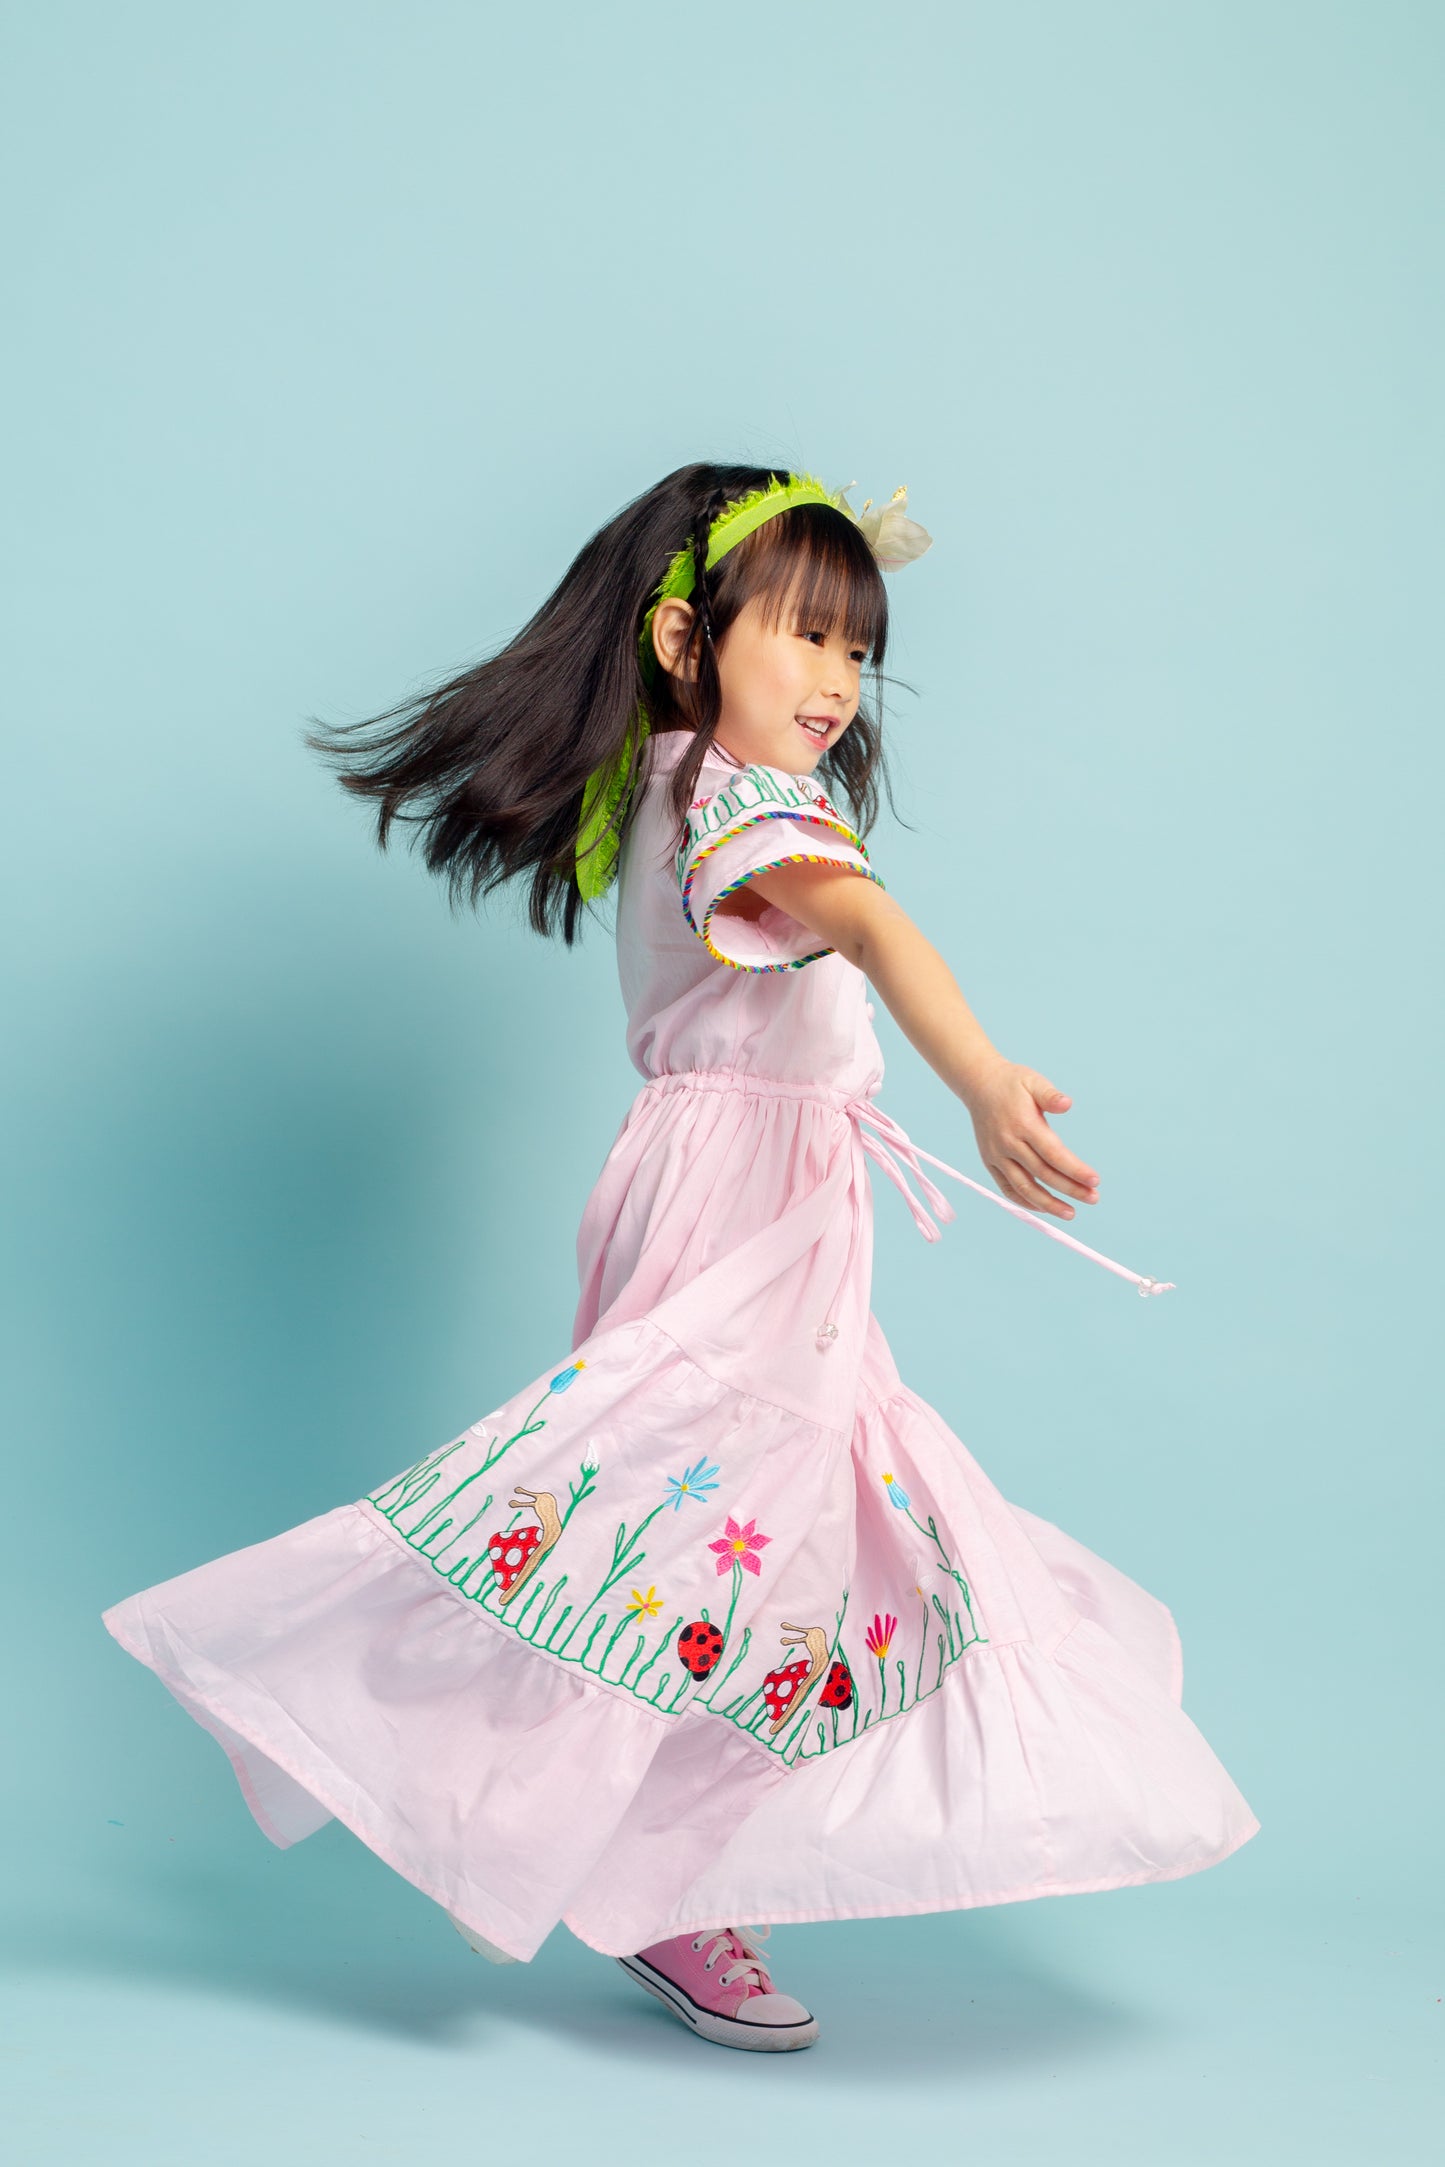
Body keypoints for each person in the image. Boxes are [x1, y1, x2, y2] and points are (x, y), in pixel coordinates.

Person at [100, 464, 1258, 2056]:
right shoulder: (739, 803)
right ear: (682, 640)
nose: (837, 680)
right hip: (737, 1191)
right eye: (804, 636)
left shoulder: (682, 781)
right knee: (686, 1510)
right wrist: (983, 1078)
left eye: (859, 651)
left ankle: (653, 1864)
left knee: (768, 1530)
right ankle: (504, 1800)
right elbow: (870, 924)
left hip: (756, 1184)